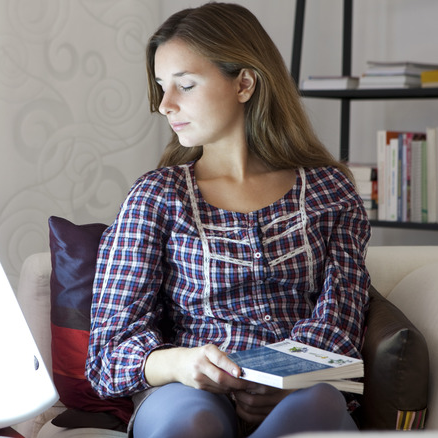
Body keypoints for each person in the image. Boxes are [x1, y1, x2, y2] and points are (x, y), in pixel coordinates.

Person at [86, 2, 370, 437]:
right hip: (188, 391)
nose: (165, 104)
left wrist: (287, 379)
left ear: (244, 83)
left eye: (186, 85)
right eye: (162, 86)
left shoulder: (330, 190)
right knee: (191, 419)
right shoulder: (157, 195)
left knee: (314, 408)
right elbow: (109, 351)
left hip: (301, 389)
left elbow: (341, 319)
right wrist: (180, 362)